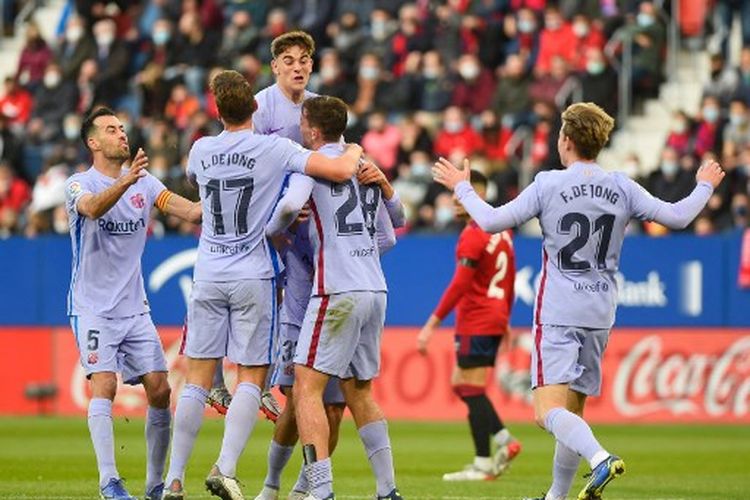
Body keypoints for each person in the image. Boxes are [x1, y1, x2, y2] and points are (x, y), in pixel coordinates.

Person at [431, 102, 725, 500]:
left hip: (558, 309)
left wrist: (462, 187)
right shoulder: (621, 185)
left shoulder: (548, 183)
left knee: (546, 412)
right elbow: (677, 217)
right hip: (601, 311)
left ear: (565, 139)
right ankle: (557, 495)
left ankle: (600, 457)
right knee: (572, 412)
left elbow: (490, 220)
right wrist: (704, 184)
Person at [162, 70, 362, 500]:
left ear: (216, 110)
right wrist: (355, 144)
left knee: (196, 379)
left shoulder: (200, 150)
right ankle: (225, 467)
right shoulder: (275, 148)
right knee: (251, 377)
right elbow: (340, 166)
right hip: (253, 272)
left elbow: (196, 195)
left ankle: (174, 479)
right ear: (255, 107)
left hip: (208, 272)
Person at [258, 105, 405, 500]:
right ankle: (387, 489)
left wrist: (275, 232)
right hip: (375, 289)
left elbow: (289, 207)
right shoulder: (365, 168)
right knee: (360, 392)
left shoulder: (316, 164)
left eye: (303, 121)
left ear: (312, 128)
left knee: (305, 387)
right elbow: (390, 237)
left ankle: (319, 491)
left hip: (336, 290)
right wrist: (357, 250)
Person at [64, 106, 202, 500]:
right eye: (111, 129)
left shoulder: (144, 182)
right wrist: (126, 182)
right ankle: (109, 480)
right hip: (92, 307)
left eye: (122, 128)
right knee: (104, 384)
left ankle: (155, 485)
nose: (121, 134)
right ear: (93, 142)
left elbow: (188, 211)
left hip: (134, 308)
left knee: (160, 390)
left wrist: (230, 204)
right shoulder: (79, 183)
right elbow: (91, 208)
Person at [417, 169, 521, 482]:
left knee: (469, 387)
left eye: (460, 193)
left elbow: (460, 284)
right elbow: (511, 280)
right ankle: (500, 444)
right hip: (492, 317)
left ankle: (487, 459)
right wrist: (505, 320)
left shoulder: (474, 234)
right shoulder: (503, 232)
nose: (453, 199)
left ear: (476, 195)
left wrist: (431, 324)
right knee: (462, 384)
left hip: (477, 319)